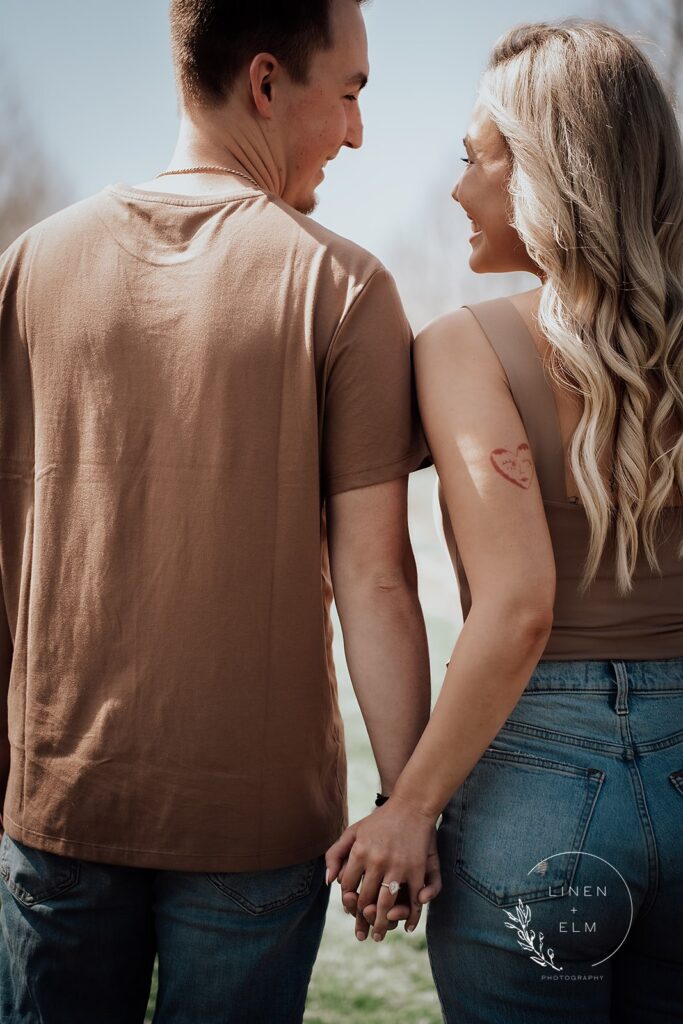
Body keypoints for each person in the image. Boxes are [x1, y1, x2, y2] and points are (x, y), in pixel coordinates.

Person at [0, 2, 440, 1021]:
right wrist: (408, 804)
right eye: (351, 93)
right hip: (254, 836)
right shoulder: (342, 288)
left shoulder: (26, 270)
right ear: (265, 84)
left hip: (55, 808)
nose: (360, 131)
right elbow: (375, 580)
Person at [326, 19, 683, 1021]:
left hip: (538, 787)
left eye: (473, 158)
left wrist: (409, 807)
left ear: (545, 174)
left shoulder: (465, 345)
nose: (455, 189)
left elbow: (520, 602)